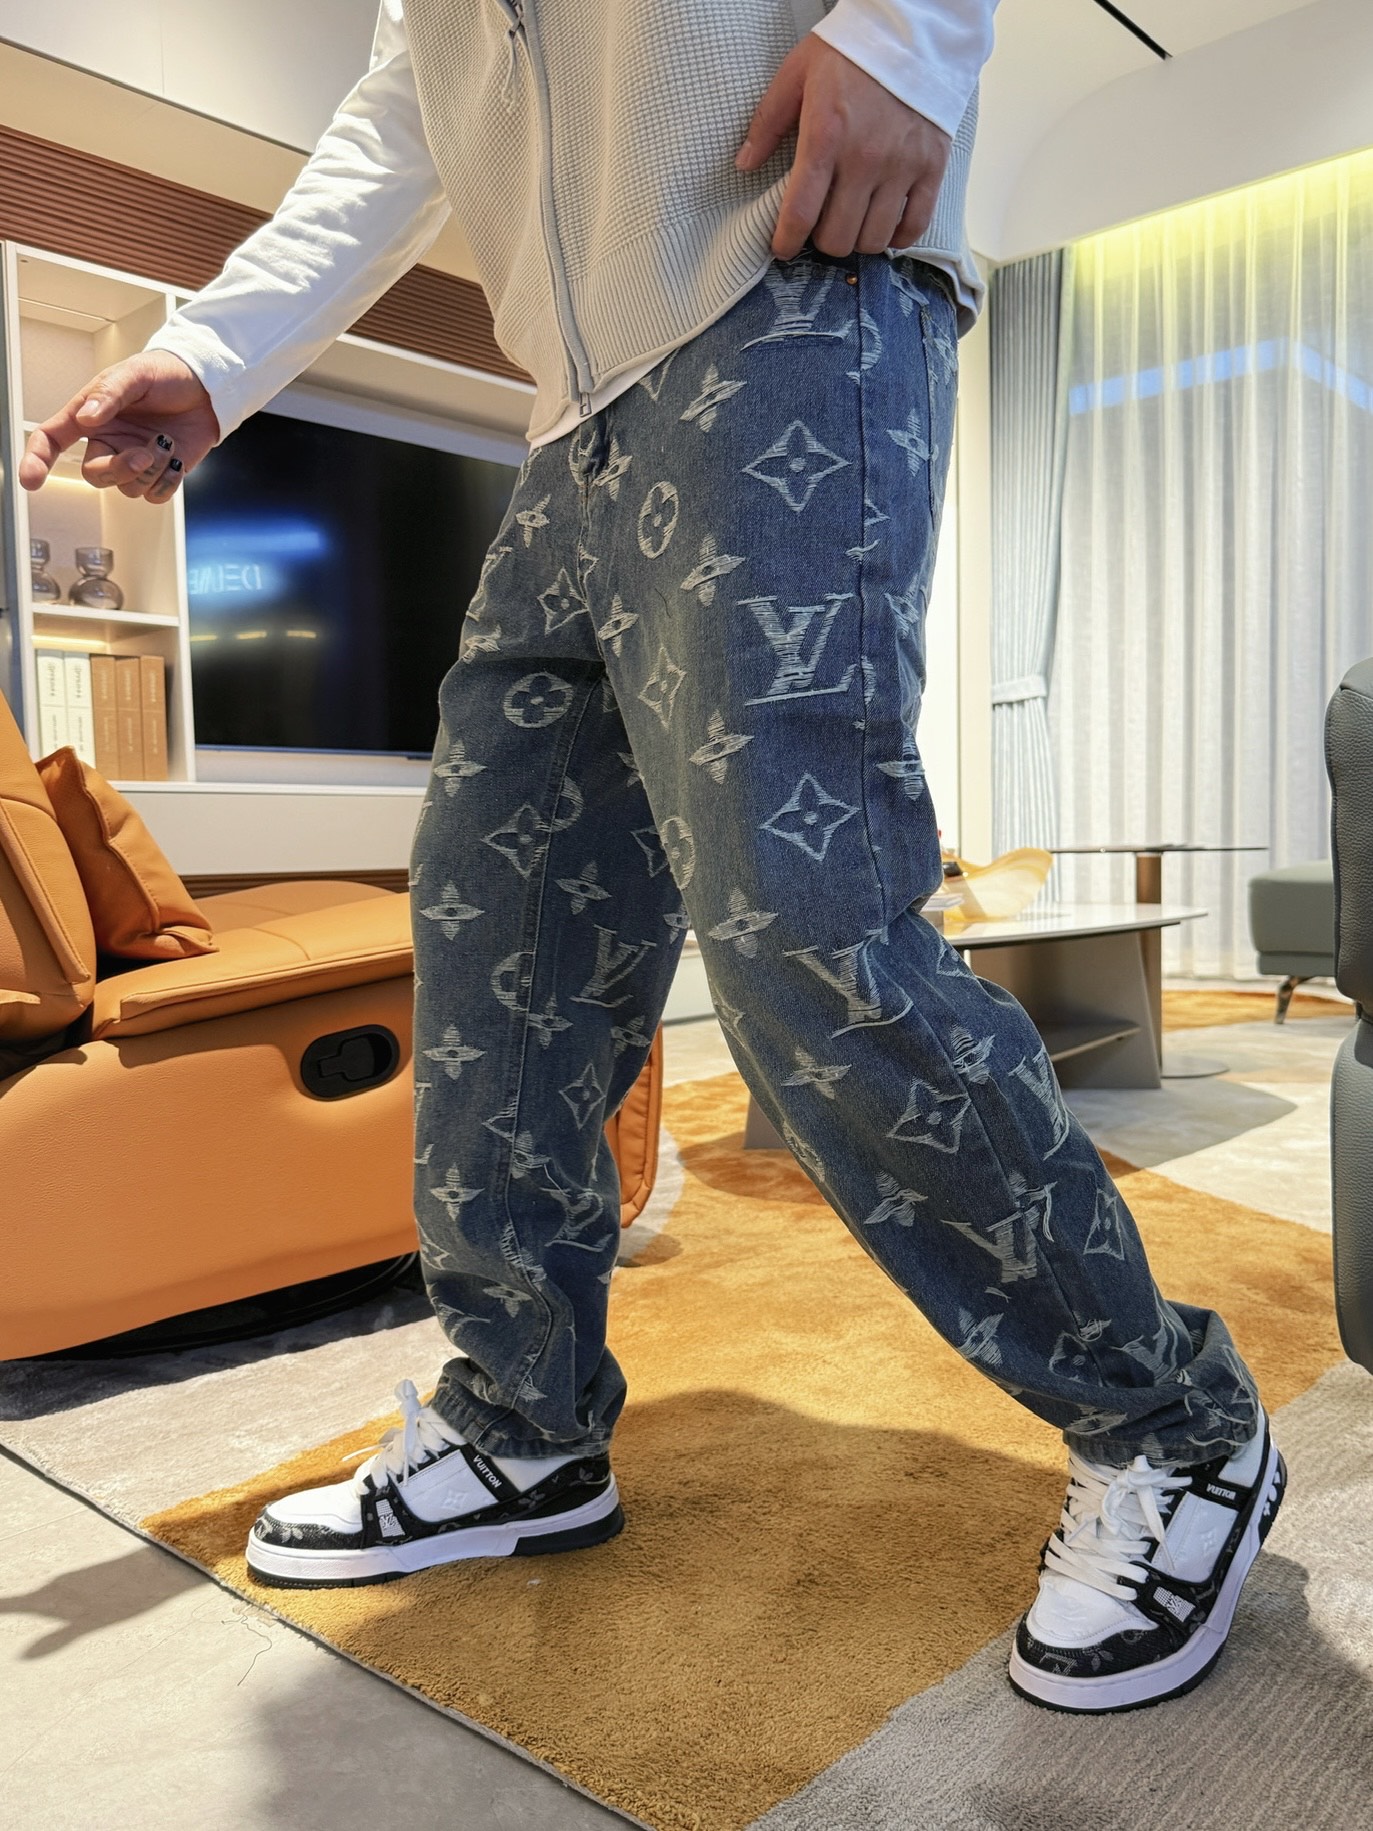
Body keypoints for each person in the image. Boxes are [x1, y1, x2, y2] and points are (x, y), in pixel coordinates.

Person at [21, 0, 1283, 1713]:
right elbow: (402, 111)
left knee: (802, 926)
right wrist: (219, 355)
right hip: (569, 429)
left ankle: (1173, 1423)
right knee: (498, 948)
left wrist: (907, 36)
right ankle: (522, 1423)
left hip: (786, 293)